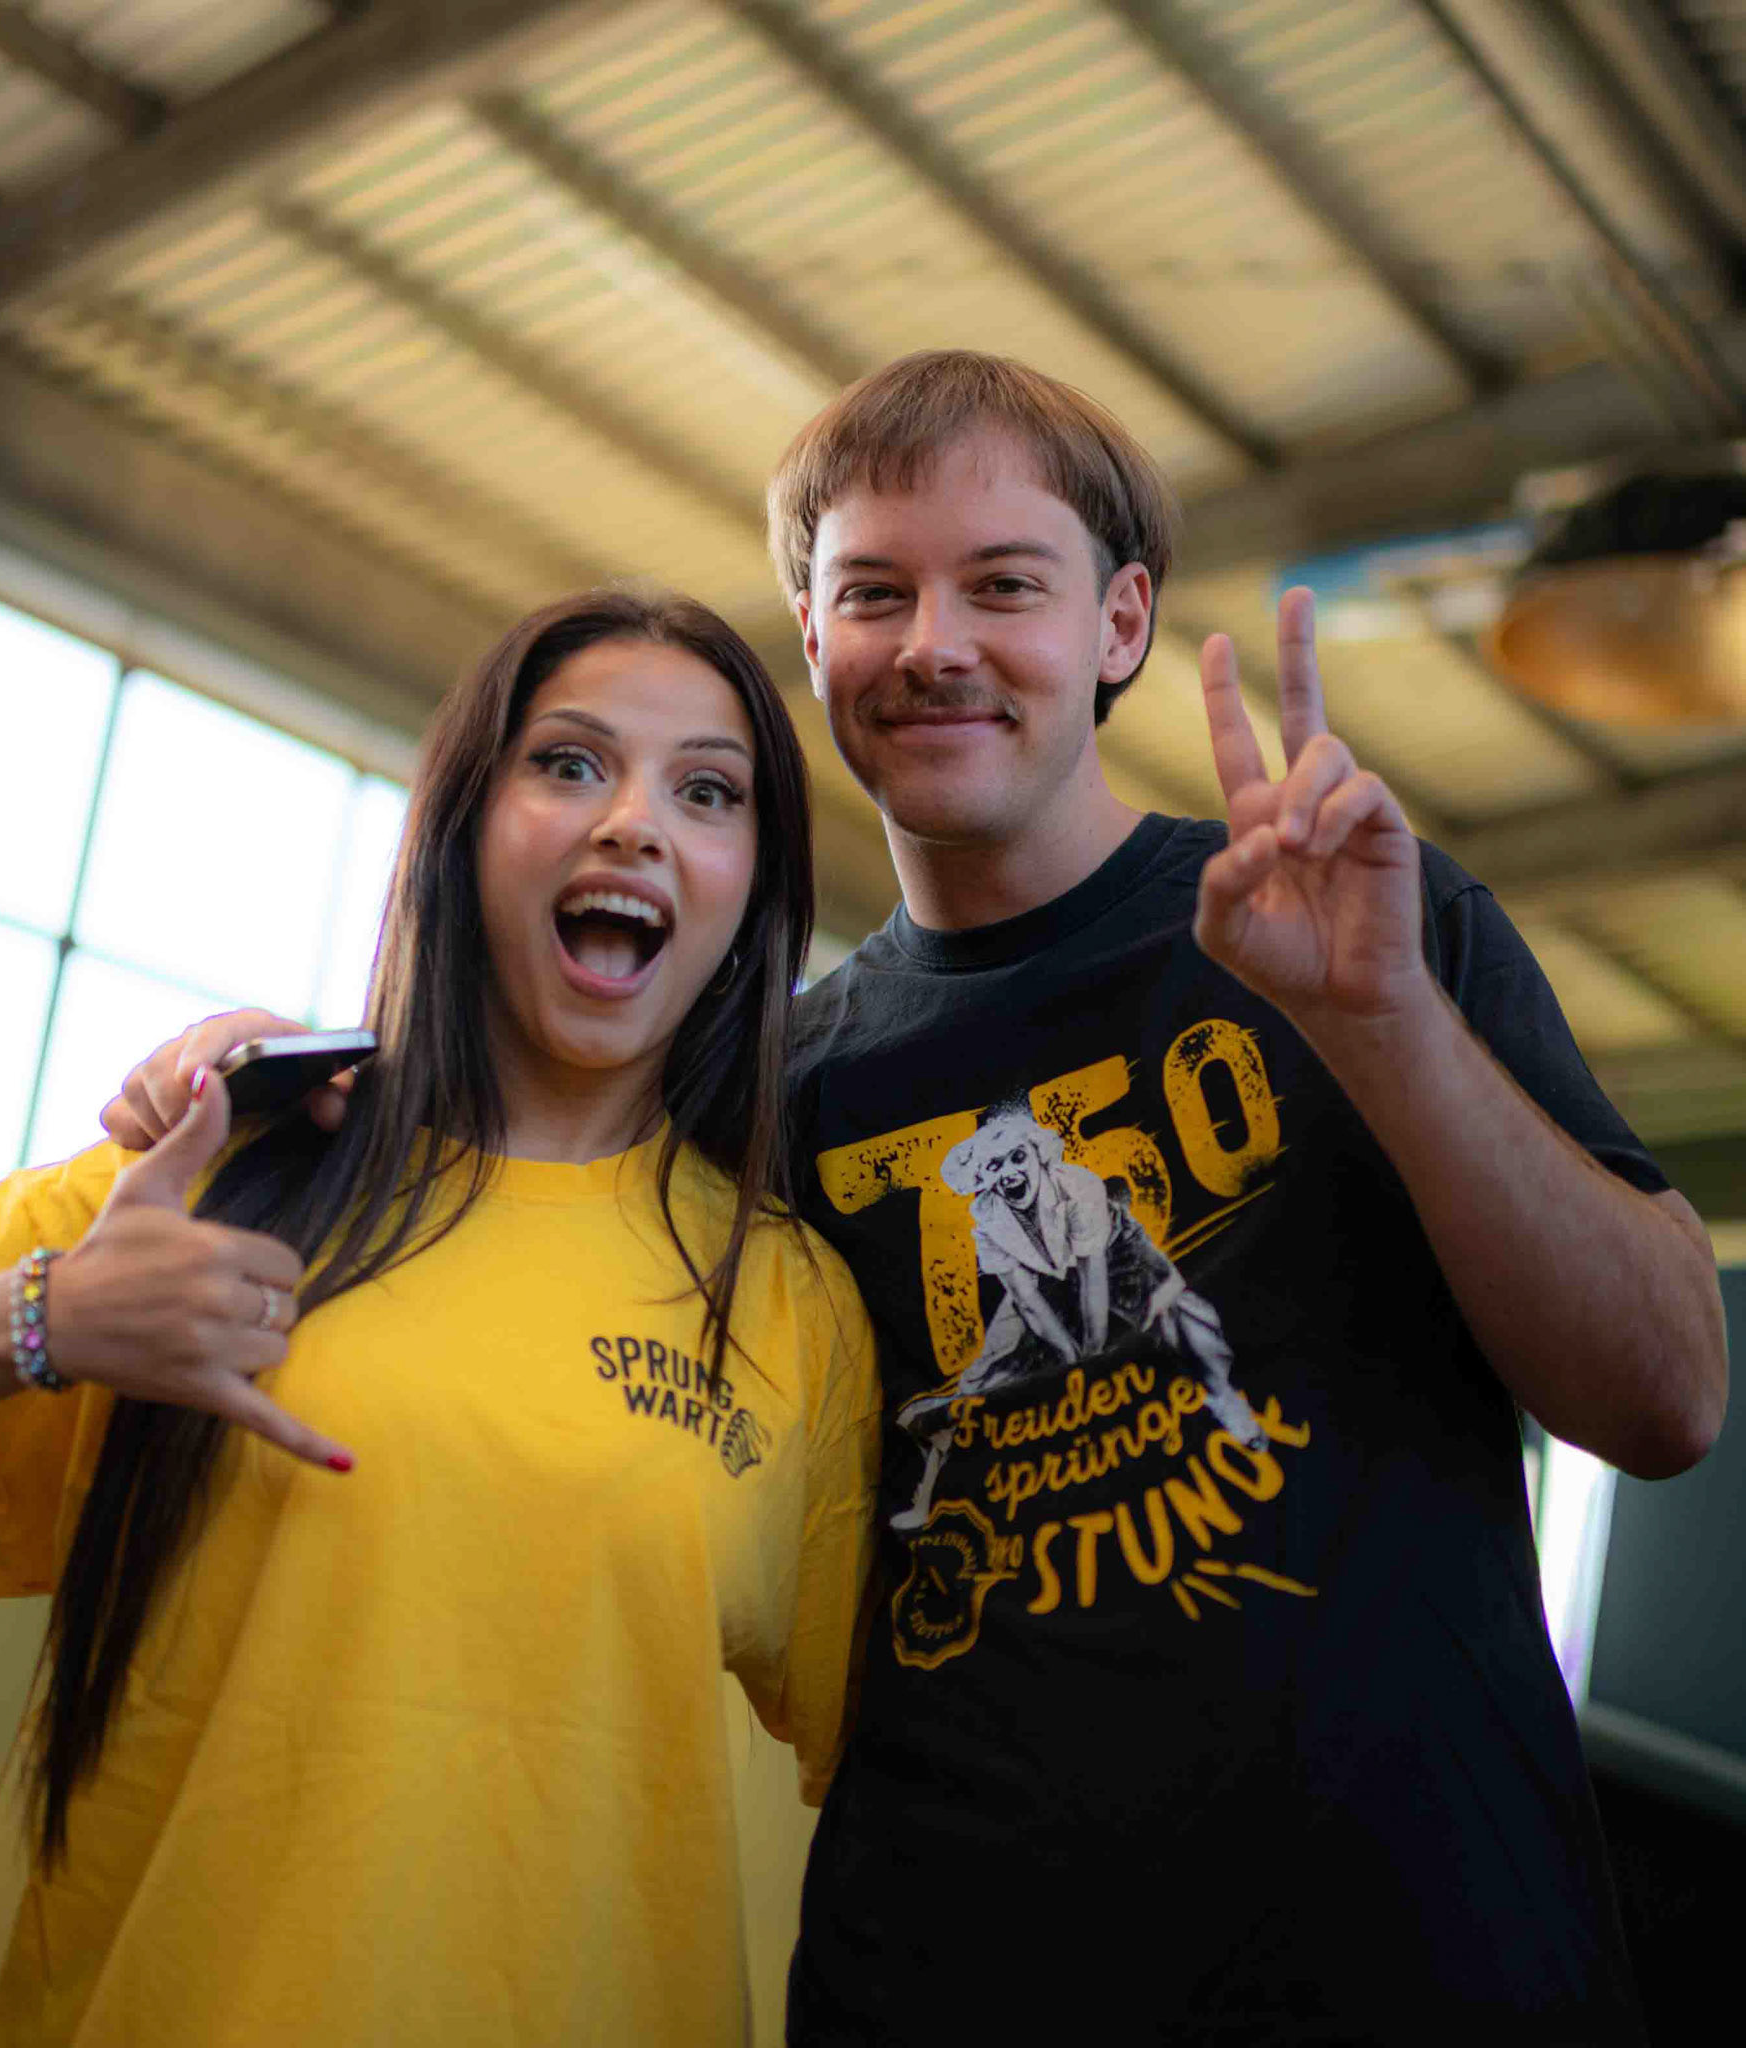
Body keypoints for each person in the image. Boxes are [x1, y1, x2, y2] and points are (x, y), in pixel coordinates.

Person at [103, 353, 1727, 2043]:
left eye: (1004, 585)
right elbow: (521, 1251)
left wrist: (1383, 1025)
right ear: (814, 640)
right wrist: (274, 1081)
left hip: (1428, 1972)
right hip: (944, 1987)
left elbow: (1668, 1397)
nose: (934, 642)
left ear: (1119, 624)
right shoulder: (757, 1105)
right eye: (874, 592)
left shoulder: (1366, 930)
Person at [0, 590, 879, 2047]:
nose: (635, 826)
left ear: (751, 896)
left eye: (708, 793)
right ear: (462, 830)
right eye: (570, 764)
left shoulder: (793, 1308)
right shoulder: (217, 1173)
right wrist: (40, 1318)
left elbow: (934, 1791)